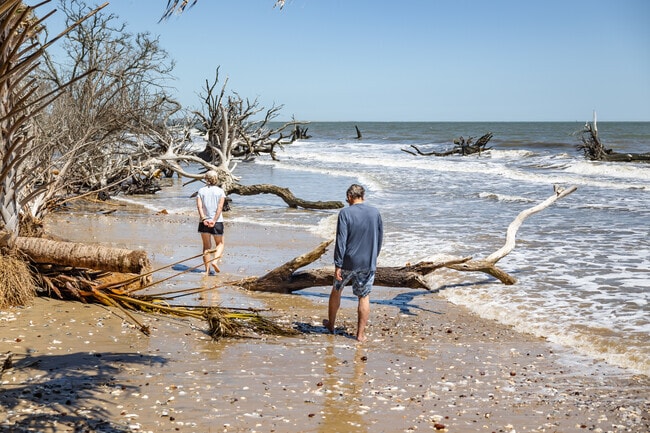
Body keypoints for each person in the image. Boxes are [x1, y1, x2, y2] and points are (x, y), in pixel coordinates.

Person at [324, 184, 383, 342]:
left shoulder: (345, 213)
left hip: (347, 262)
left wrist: (338, 264)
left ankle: (331, 325)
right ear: (362, 196)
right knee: (364, 296)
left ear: (350, 196)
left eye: (347, 199)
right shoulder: (375, 212)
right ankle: (360, 334)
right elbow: (379, 237)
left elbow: (341, 240)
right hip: (367, 262)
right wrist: (373, 257)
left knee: (337, 291)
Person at [196, 170, 226, 275]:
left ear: (206, 179)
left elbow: (199, 206)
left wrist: (204, 219)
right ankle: (215, 261)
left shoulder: (201, 190)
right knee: (220, 243)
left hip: (203, 221)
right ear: (216, 179)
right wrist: (214, 220)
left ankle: (207, 270)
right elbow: (220, 207)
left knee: (206, 246)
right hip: (216, 221)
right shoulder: (220, 191)